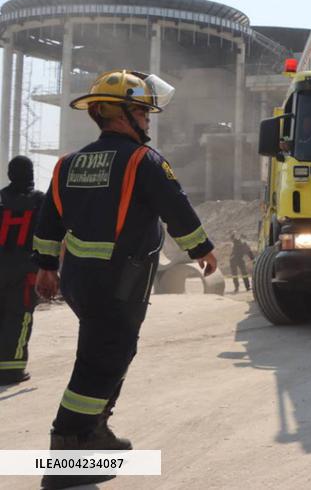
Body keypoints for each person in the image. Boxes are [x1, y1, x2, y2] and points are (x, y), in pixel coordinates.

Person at [31, 70, 218, 486]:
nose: (148, 122)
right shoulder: (142, 160)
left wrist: (46, 267)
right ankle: (67, 452)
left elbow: (48, 222)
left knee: (112, 353)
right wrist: (201, 249)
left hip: (80, 279)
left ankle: (95, 431)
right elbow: (176, 207)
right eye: (141, 113)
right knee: (100, 362)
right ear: (118, 114)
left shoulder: (67, 164)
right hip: (119, 281)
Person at [0, 156, 45, 386]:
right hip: (26, 270)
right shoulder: (39, 201)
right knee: (20, 317)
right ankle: (12, 370)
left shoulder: (0, 198)